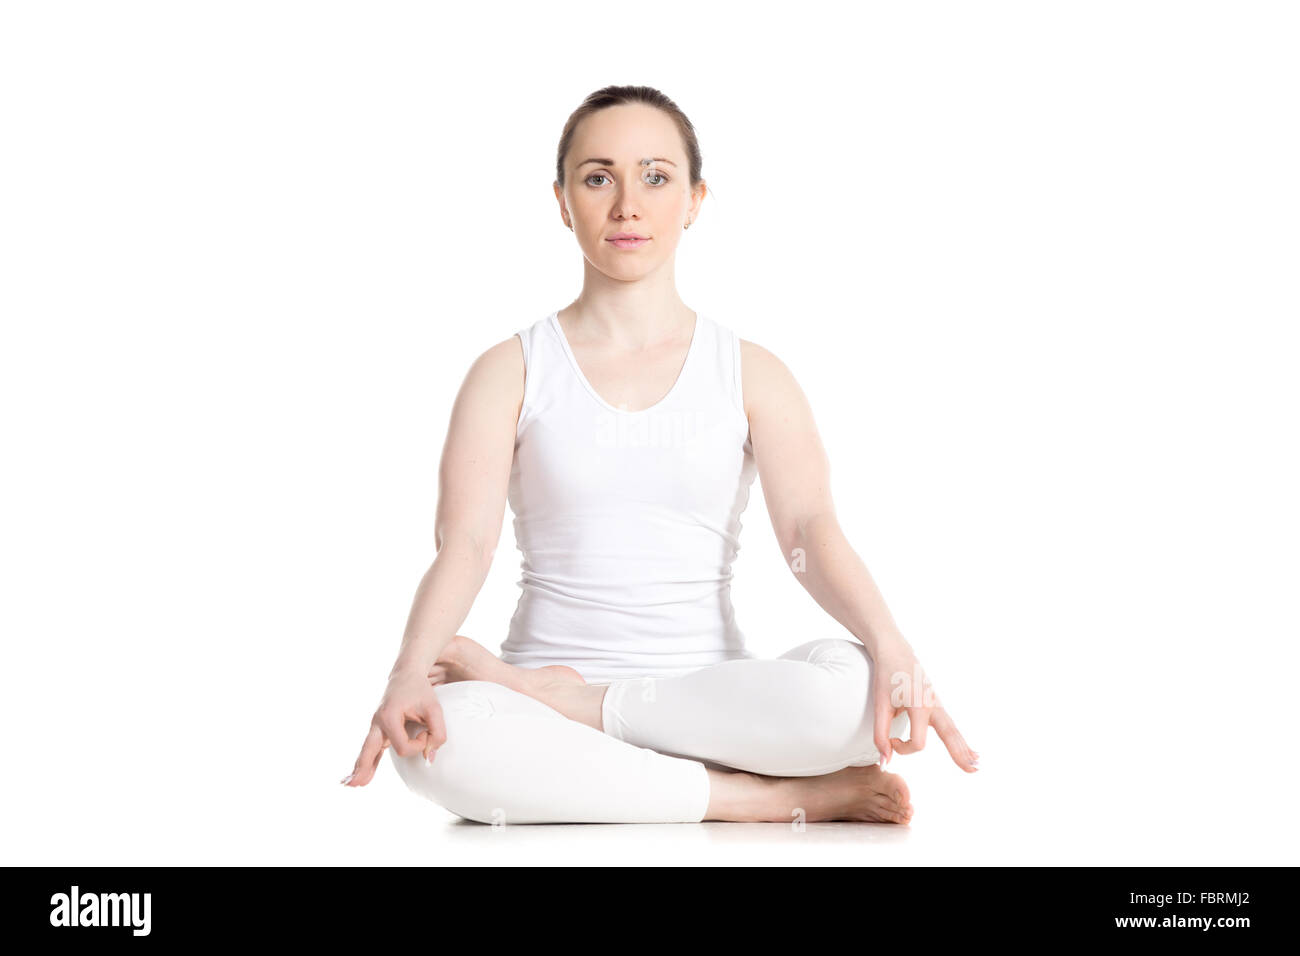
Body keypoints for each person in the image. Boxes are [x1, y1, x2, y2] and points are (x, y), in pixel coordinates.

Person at [341, 85, 979, 824]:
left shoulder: (752, 371)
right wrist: (408, 674)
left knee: (854, 691)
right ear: (561, 200)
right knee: (435, 747)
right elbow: (467, 542)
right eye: (597, 176)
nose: (626, 205)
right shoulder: (509, 370)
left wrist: (893, 645)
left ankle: (582, 708)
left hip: (711, 702)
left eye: (655, 176)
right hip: (535, 698)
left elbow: (809, 530)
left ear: (695, 198)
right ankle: (758, 797)